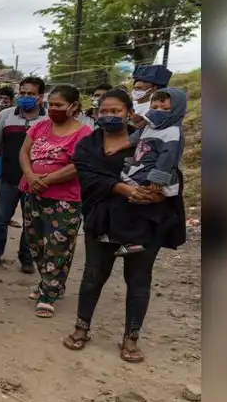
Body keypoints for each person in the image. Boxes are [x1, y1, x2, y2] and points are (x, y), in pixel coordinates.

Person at [64, 88, 186, 362]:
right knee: (94, 276)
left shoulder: (148, 139)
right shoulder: (87, 145)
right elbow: (88, 177)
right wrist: (123, 189)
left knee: (139, 280)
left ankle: (131, 337)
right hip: (103, 220)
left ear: (129, 113)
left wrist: (157, 192)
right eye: (104, 111)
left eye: (116, 111)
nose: (109, 116)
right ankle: (81, 327)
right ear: (96, 114)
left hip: (145, 221)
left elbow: (171, 168)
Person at [19, 84, 93, 318]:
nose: (53, 108)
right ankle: (49, 282)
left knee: (58, 246)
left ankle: (48, 293)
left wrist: (48, 179)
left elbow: (79, 165)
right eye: (51, 104)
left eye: (59, 105)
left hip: (65, 199)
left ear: (73, 106)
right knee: (36, 242)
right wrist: (31, 176)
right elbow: (24, 152)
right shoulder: (40, 126)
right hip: (33, 192)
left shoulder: (84, 134)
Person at [112, 87, 187, 255]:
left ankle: (139, 241)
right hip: (139, 169)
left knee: (142, 207)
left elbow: (168, 158)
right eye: (155, 107)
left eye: (165, 108)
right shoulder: (151, 125)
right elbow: (136, 138)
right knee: (128, 203)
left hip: (151, 175)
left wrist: (157, 179)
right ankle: (127, 237)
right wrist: (118, 147)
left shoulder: (172, 132)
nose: (158, 111)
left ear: (177, 111)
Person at [0, 77, 45, 273]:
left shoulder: (47, 120)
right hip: (8, 177)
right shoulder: (6, 115)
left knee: (32, 221)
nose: (25, 97)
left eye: (31, 94)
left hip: (35, 180)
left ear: (40, 97)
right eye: (22, 93)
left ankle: (27, 258)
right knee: (0, 217)